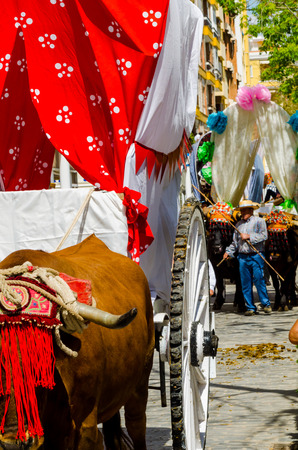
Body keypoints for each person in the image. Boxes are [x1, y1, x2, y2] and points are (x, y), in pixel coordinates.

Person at [223, 199, 272, 316]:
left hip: (256, 255)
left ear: (251, 210)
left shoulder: (259, 221)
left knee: (259, 279)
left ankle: (266, 304)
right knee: (245, 282)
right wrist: (228, 252)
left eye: (245, 210)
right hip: (242, 257)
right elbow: (235, 243)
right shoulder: (238, 225)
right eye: (241, 210)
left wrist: (249, 236)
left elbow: (264, 236)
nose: (243, 212)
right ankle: (250, 307)